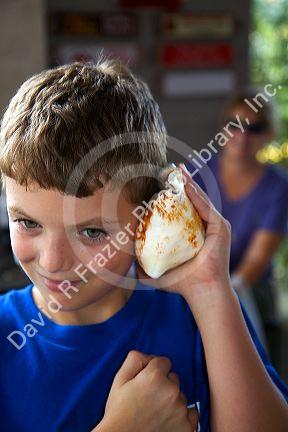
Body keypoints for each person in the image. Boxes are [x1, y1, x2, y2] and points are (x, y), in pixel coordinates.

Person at [0, 60, 287, 432]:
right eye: (27, 223)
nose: (53, 262)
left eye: (91, 232)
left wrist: (210, 290)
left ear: (148, 216)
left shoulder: (199, 316)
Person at [191, 92, 288, 350]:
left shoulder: (278, 186)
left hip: (249, 290)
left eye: (255, 127)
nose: (243, 136)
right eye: (235, 124)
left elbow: (256, 261)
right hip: (193, 283)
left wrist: (226, 293)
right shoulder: (195, 173)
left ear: (269, 133)